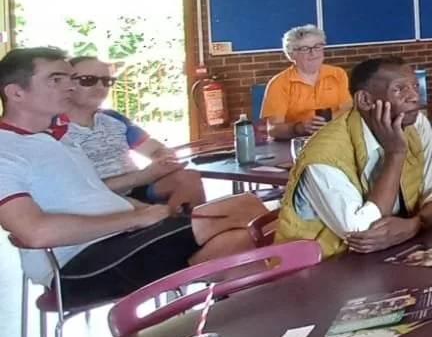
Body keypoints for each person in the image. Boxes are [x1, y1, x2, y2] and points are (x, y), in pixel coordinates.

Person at [0, 48, 265, 302]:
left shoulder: (55, 139)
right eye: (55, 80)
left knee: (241, 240)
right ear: (16, 92)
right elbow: (35, 232)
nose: (69, 86)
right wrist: (135, 218)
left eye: (69, 78)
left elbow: (95, 195)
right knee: (245, 207)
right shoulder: (6, 150)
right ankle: (185, 283)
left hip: (119, 243)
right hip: (79, 265)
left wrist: (143, 211)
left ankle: (230, 324)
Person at [276, 57, 432, 257]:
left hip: (388, 255)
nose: (414, 96)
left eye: (415, 86)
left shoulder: (416, 124)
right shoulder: (323, 154)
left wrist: (416, 223)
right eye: (400, 89)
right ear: (365, 100)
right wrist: (395, 154)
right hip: (322, 268)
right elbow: (363, 233)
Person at [60, 55, 206, 209]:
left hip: (135, 187)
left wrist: (163, 160)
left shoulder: (113, 119)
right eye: (88, 80)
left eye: (106, 81)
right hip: (92, 198)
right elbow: (73, 189)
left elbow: (156, 149)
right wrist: (144, 176)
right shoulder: (53, 128)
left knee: (188, 178)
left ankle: (192, 229)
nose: (100, 87)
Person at [260, 25, 350, 140]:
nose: (313, 54)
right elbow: (273, 130)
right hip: (298, 143)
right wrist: (300, 128)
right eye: (305, 49)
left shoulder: (338, 74)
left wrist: (325, 123)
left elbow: (347, 110)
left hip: (335, 138)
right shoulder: (279, 83)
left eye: (317, 47)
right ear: (292, 54)